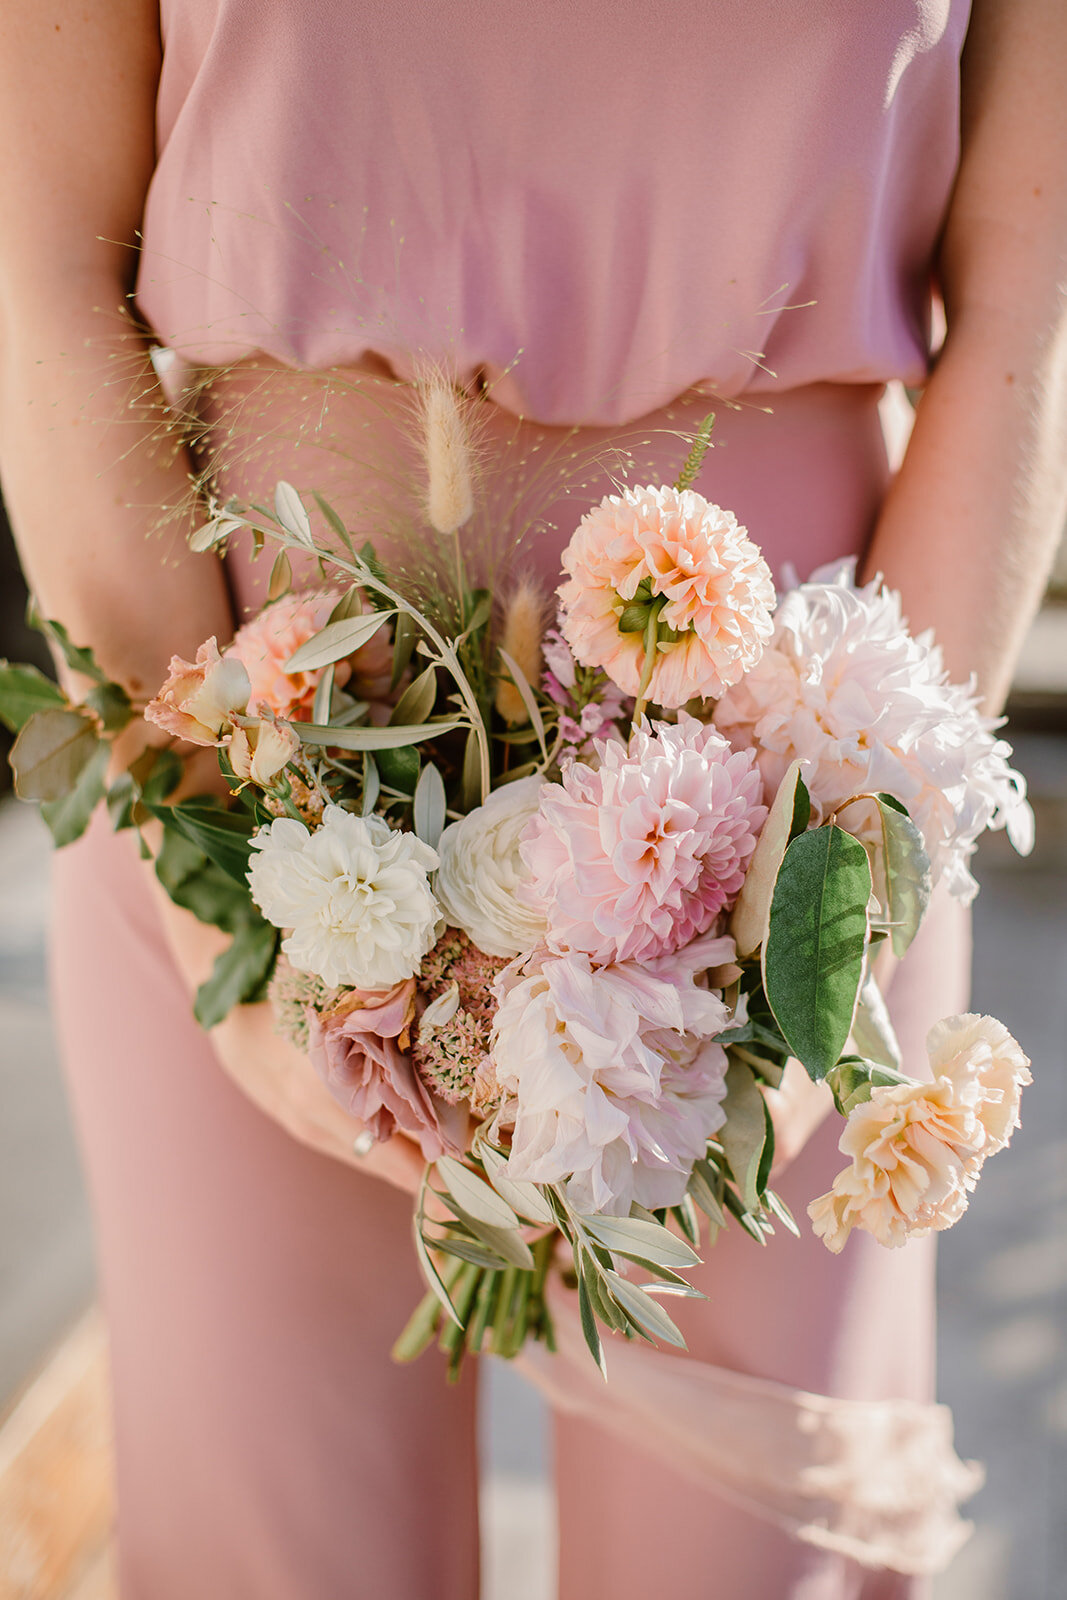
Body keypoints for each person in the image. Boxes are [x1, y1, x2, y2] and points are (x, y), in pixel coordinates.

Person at [0, 2, 1064, 1596]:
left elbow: (1025, 309)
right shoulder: (228, 807)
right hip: (261, 746)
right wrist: (200, 845)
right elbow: (38, 257)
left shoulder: (819, 835)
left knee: (751, 1561)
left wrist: (842, 887)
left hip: (789, 786)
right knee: (272, 1555)